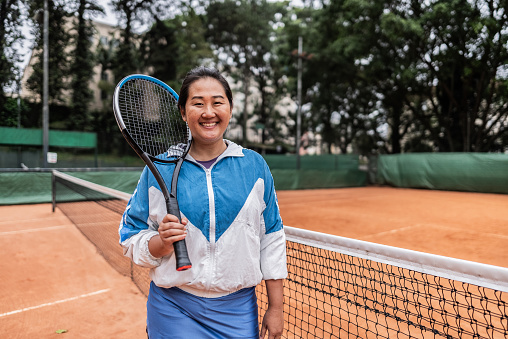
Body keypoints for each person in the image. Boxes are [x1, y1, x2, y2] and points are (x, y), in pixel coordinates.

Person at [119, 66, 287, 339]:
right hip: (173, 306)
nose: (209, 112)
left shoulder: (255, 166)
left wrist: (276, 307)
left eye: (217, 102)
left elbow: (272, 238)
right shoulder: (158, 170)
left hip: (238, 309)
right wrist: (160, 243)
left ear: (230, 109)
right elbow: (129, 236)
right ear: (184, 112)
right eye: (198, 104)